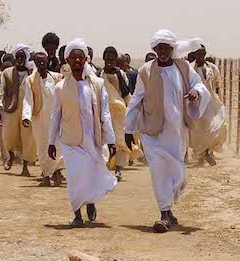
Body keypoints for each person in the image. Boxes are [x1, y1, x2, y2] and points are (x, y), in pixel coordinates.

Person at [124, 30, 210, 233]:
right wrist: (129, 129)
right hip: (152, 132)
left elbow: (198, 84)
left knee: (177, 171)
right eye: (159, 47)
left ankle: (168, 209)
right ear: (154, 49)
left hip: (177, 131)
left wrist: (196, 92)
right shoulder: (145, 71)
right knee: (159, 170)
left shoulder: (183, 67)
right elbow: (136, 99)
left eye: (166, 47)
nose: (162, 51)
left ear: (172, 49)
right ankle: (163, 214)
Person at [49, 38, 117, 227]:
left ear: (86, 60)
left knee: (91, 174)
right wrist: (50, 142)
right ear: (67, 61)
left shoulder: (97, 84)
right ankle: (77, 215)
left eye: (81, 57)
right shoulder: (60, 88)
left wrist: (110, 139)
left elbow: (105, 113)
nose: (77, 61)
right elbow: (55, 116)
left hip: (92, 139)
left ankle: (91, 202)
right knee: (75, 177)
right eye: (73, 58)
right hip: (70, 141)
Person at [22, 52, 65, 187]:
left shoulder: (57, 77)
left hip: (56, 118)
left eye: (43, 61)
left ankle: (57, 171)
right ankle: (46, 175)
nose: (41, 64)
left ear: (47, 62)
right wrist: (26, 116)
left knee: (58, 146)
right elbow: (27, 99)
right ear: (34, 63)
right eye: (38, 62)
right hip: (39, 118)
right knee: (42, 147)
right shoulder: (30, 80)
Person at [100, 46, 141, 180]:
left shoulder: (120, 74)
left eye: (112, 59)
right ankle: (105, 169)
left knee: (120, 141)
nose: (109, 62)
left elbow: (125, 93)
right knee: (106, 140)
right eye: (107, 59)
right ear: (104, 59)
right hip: (105, 113)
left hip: (120, 112)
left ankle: (118, 169)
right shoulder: (99, 75)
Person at [0, 43, 38, 176]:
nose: (20, 59)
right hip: (11, 109)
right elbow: (1, 91)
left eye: (22, 57)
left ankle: (25, 166)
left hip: (27, 110)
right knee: (8, 135)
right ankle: (10, 155)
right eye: (18, 56)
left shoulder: (32, 74)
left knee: (27, 137)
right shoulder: (7, 73)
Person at [189, 43, 227, 166]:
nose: (200, 56)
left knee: (216, 125)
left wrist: (218, 99)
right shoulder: (190, 69)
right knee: (199, 128)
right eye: (197, 53)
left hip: (211, 101)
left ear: (204, 54)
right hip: (196, 102)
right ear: (194, 54)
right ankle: (202, 154)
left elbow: (217, 84)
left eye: (202, 53)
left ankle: (208, 150)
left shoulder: (212, 68)